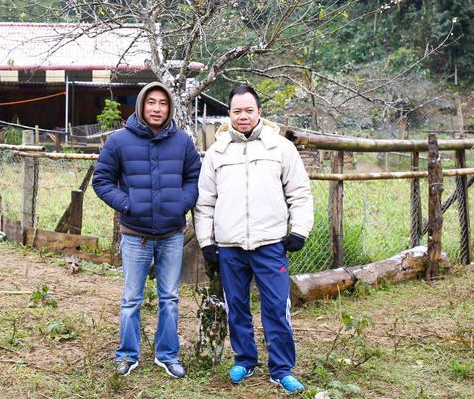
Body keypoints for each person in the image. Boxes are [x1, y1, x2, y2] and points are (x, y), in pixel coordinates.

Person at [194, 84, 313, 394]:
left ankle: (281, 368)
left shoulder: (280, 148)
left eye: (249, 110)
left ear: (259, 111)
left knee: (276, 306)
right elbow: (205, 202)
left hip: (270, 243)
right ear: (229, 114)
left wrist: (299, 230)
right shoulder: (217, 152)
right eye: (237, 111)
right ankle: (245, 360)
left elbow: (300, 193)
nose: (243, 116)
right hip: (230, 246)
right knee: (236, 306)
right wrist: (206, 241)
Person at [92, 81, 201, 378]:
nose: (157, 108)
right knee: (131, 299)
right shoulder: (119, 141)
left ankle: (167, 355)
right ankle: (127, 355)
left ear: (170, 108)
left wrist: (181, 203)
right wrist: (127, 204)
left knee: (170, 298)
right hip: (135, 235)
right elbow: (101, 181)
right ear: (141, 105)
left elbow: (194, 177)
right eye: (151, 102)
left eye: (163, 103)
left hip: (171, 234)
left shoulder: (182, 142)